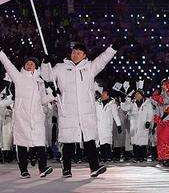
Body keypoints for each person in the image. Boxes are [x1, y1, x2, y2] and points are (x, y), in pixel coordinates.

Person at [41, 43, 117, 178]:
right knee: (68, 141)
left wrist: (113, 48)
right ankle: (66, 169)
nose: (75, 54)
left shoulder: (90, 67)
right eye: (73, 52)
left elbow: (103, 59)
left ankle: (94, 167)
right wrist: (45, 63)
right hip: (68, 110)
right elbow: (47, 76)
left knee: (89, 140)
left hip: (86, 110)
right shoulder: (61, 67)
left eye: (78, 53)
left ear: (84, 55)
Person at [0, 51, 55, 178]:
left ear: (36, 66)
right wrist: (0, 53)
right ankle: (23, 170)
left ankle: (43, 168)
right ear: (24, 66)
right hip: (22, 117)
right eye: (28, 63)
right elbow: (8, 64)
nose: (30, 65)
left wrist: (52, 96)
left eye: (32, 63)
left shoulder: (40, 82)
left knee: (40, 143)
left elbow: (42, 100)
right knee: (22, 144)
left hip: (36, 117)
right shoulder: (18, 77)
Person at [151, 80, 169, 166]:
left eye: (164, 85)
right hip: (161, 122)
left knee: (166, 140)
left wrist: (155, 97)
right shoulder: (161, 96)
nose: (162, 86)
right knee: (160, 140)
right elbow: (158, 109)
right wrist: (156, 122)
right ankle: (162, 157)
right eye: (162, 85)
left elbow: (165, 102)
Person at [96, 89, 122, 162]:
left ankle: (108, 156)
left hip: (107, 125)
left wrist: (119, 125)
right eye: (102, 93)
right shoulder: (97, 103)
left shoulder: (112, 104)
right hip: (99, 125)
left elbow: (115, 115)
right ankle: (102, 157)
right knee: (100, 142)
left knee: (107, 142)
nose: (102, 95)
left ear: (108, 95)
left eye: (104, 94)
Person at [128, 89, 153, 162]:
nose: (136, 95)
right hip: (134, 124)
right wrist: (125, 101)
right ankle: (136, 157)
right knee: (135, 141)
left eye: (138, 94)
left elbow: (150, 113)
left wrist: (148, 121)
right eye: (135, 94)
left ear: (142, 95)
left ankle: (143, 156)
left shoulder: (147, 103)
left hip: (143, 124)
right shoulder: (132, 103)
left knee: (143, 141)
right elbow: (125, 108)